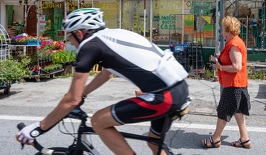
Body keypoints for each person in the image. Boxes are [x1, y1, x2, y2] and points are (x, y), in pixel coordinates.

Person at [16, 8, 189, 155]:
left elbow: (71, 99)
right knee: (154, 142)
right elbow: (106, 74)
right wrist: (83, 93)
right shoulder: (114, 35)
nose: (70, 41)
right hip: (180, 89)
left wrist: (39, 128)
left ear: (79, 33)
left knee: (98, 120)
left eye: (69, 36)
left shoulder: (90, 46)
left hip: (163, 96)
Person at [200, 15, 251, 149]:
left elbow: (237, 66)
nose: (221, 32)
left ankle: (215, 139)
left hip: (233, 85)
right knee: (238, 111)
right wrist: (220, 59)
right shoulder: (234, 42)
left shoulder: (234, 44)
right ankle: (244, 139)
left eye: (223, 29)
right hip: (238, 84)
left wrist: (220, 67)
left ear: (228, 31)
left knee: (223, 112)